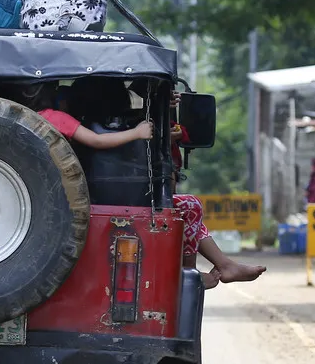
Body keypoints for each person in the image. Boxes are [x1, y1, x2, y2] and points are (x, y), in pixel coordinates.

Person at [30, 80, 266, 290]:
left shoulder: (29, 120)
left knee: (188, 208)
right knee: (189, 206)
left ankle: (219, 266)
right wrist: (137, 133)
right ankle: (187, 275)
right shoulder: (56, 118)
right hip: (95, 202)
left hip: (50, 203)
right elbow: (97, 140)